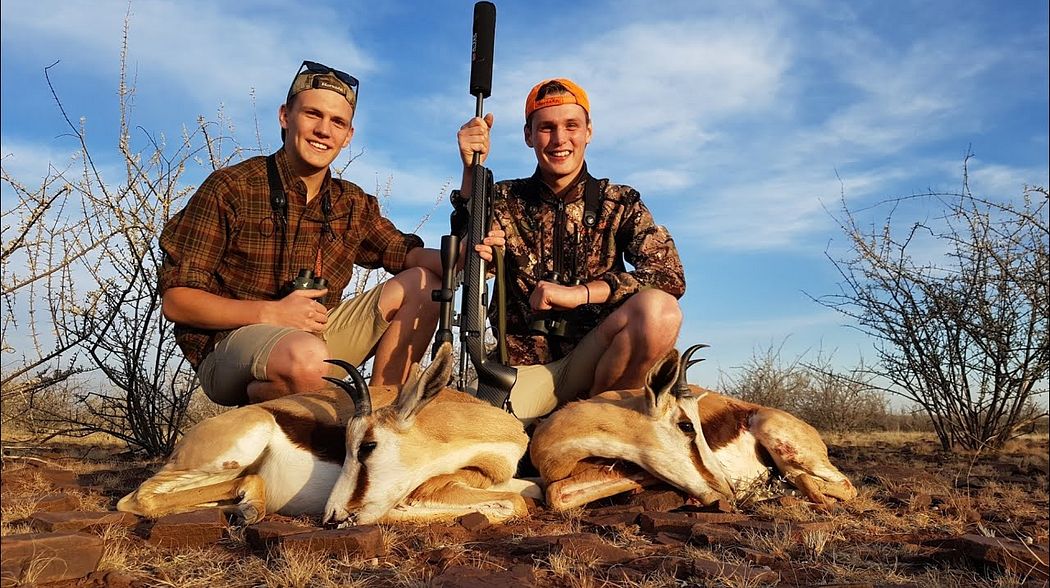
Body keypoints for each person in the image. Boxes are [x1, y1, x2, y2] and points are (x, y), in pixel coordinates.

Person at [160, 60, 503, 406]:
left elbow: (409, 254)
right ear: (285, 116)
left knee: (426, 284)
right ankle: (277, 404)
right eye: (313, 114)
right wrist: (271, 313)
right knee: (307, 358)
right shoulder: (231, 187)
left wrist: (468, 249)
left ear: (348, 135)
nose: (324, 130)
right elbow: (177, 301)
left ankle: (383, 415)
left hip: (314, 339)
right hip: (230, 346)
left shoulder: (350, 202)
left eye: (337, 122)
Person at [454, 78, 685, 423]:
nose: (560, 139)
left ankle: (601, 422)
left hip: (600, 367)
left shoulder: (619, 201)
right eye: (546, 128)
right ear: (529, 136)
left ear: (588, 131)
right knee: (464, 426)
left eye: (571, 126)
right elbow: (461, 257)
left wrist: (581, 294)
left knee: (660, 312)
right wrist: (471, 171)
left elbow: (669, 276)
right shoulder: (500, 198)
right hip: (522, 376)